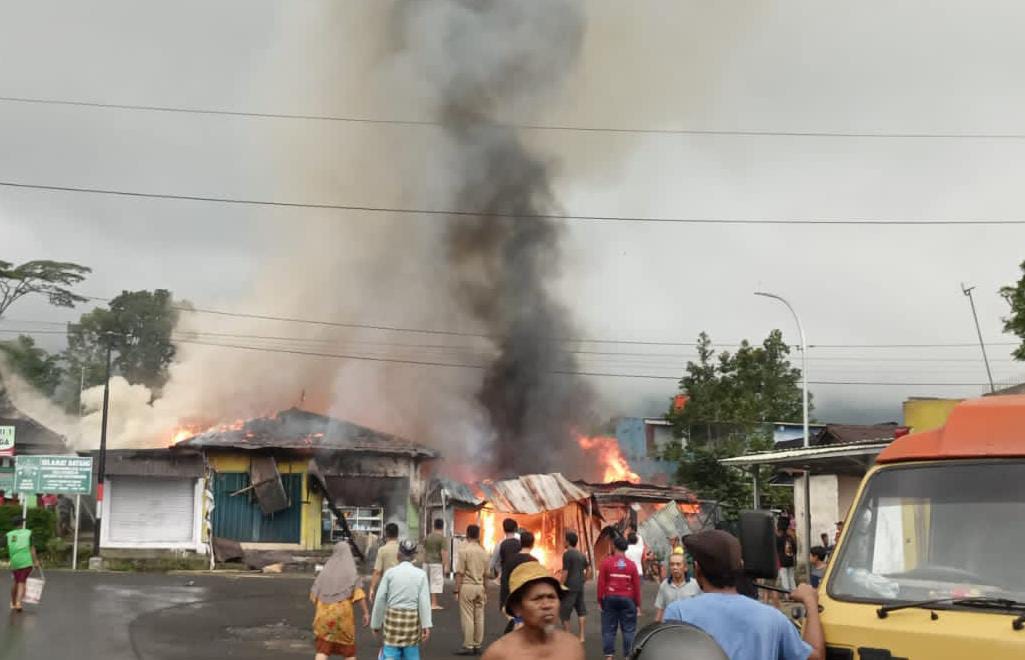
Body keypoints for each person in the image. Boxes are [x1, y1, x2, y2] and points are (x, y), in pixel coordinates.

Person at [663, 530, 825, 660]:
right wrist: (810, 601)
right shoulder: (773, 619)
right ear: (740, 569)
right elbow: (815, 657)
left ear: (698, 572)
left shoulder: (678, 613)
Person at [481, 562, 585, 660]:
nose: (547, 605)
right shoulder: (499, 654)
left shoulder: (573, 647)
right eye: (537, 598)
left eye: (551, 597)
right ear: (517, 608)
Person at [371, 540, 432, 660]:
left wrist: (376, 623)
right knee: (411, 654)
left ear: (398, 555)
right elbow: (424, 602)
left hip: (392, 623)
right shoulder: (421, 575)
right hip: (411, 623)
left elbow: (380, 599)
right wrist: (426, 625)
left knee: (390, 654)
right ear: (414, 556)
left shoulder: (390, 573)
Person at [310, 541, 369, 660]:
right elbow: (359, 594)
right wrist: (366, 613)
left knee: (323, 649)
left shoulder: (325, 572)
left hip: (324, 616)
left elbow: (313, 595)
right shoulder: (351, 572)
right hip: (343, 617)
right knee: (349, 652)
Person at [597, 535, 641, 660]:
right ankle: (628, 657)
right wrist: (637, 605)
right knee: (628, 630)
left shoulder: (606, 563)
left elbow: (601, 583)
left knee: (609, 630)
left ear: (614, 547)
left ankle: (609, 657)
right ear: (625, 548)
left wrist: (600, 600)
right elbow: (636, 586)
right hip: (628, 600)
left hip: (610, 599)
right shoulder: (631, 565)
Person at [454, 524, 489, 656]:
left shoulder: (464, 551)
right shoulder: (483, 552)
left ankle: (468, 645)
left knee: (468, 617)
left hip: (467, 586)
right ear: (478, 535)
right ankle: (477, 644)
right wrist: (486, 591)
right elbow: (487, 575)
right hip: (480, 587)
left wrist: (456, 590)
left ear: (467, 535)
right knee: (479, 617)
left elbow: (460, 573)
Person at [558, 530, 589, 642]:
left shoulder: (567, 554)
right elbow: (588, 568)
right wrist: (584, 579)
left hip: (569, 587)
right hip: (579, 585)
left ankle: (568, 637)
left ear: (568, 541)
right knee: (581, 610)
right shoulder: (581, 554)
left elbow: (565, 572)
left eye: (564, 540)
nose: (563, 542)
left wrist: (559, 585)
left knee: (564, 612)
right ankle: (581, 636)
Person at [654, 549, 701, 622]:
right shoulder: (664, 585)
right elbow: (661, 609)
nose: (675, 567)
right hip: (670, 627)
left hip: (689, 627)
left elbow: (701, 608)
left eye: (678, 564)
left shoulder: (695, 585)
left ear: (685, 568)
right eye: (672, 564)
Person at [6, 517, 40, 613]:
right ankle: (18, 603)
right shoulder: (28, 533)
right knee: (22, 582)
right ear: (21, 524)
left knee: (16, 582)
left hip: (14, 562)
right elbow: (32, 549)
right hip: (26, 561)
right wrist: (36, 561)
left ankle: (13, 602)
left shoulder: (9, 535)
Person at [499, 530, 537, 612]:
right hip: (528, 600)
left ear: (520, 543)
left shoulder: (511, 560)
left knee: (516, 622)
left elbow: (504, 580)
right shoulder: (534, 561)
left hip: (513, 598)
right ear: (532, 544)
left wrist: (503, 602)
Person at [369, 522, 401, 602]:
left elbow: (377, 572)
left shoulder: (382, 550)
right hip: (402, 583)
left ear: (386, 534)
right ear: (397, 534)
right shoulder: (403, 549)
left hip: (388, 583)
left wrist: (372, 588)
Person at [424, 518, 449, 611]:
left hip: (426, 562)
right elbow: (444, 552)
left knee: (426, 583)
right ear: (442, 526)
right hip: (436, 563)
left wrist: (424, 560)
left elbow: (424, 550)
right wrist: (445, 565)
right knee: (435, 583)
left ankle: (426, 602)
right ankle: (434, 603)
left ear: (434, 526)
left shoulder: (428, 536)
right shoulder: (442, 538)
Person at [776, 527, 797, 593]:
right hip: (790, 560)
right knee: (791, 578)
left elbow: (776, 549)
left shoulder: (779, 539)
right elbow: (795, 550)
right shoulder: (791, 538)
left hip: (782, 561)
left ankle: (787, 594)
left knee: (784, 578)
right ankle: (794, 593)